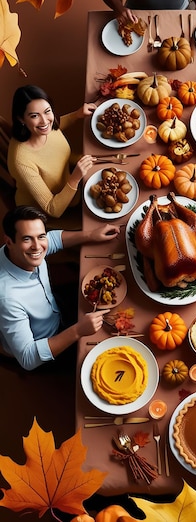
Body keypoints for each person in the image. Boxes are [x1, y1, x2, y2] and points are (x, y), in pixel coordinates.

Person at [0, 205, 120, 371]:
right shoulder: (7, 298)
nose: (37, 246)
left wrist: (91, 235)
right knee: (97, 359)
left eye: (40, 236)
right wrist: (77, 331)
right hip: (45, 342)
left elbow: (53, 239)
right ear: (9, 242)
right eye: (27, 239)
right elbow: (28, 358)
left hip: (53, 306)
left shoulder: (20, 251)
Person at [7, 85, 97, 225]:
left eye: (47, 111)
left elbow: (55, 125)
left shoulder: (45, 128)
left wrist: (77, 114)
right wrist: (76, 178)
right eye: (34, 115)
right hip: (49, 211)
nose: (44, 121)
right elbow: (53, 209)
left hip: (70, 179)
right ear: (21, 119)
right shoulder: (21, 160)